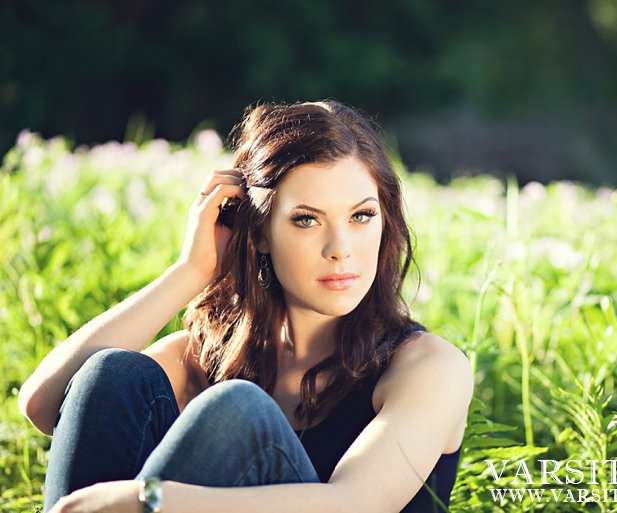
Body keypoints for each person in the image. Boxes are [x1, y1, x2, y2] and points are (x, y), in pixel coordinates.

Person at [18, 100, 473, 513]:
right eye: (306, 219)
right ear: (257, 233)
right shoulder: (213, 355)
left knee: (239, 411)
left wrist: (148, 499)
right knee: (113, 372)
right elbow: (44, 404)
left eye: (361, 216)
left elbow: (353, 504)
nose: (341, 248)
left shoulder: (429, 367)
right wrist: (191, 271)